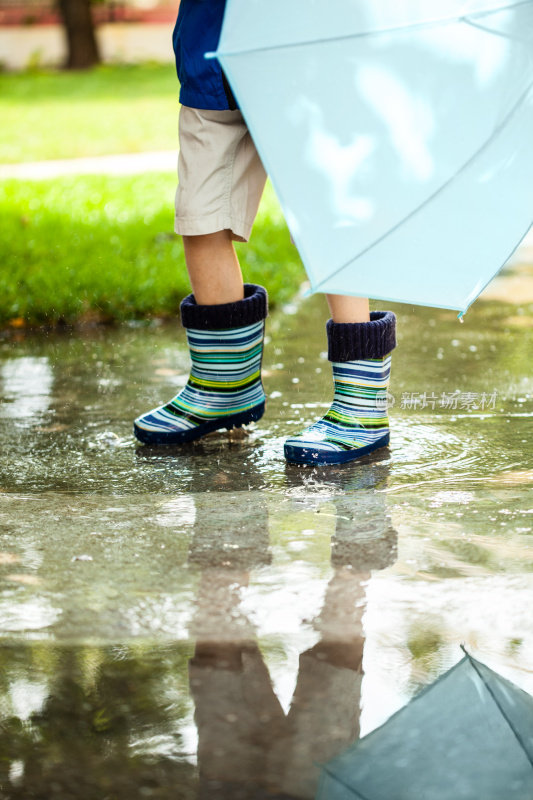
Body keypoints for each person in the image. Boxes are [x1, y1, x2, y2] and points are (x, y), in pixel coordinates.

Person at [133, 0, 397, 465]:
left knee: (329, 218)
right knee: (201, 217)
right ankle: (224, 386)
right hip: (211, 61)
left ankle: (362, 403)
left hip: (302, 58)